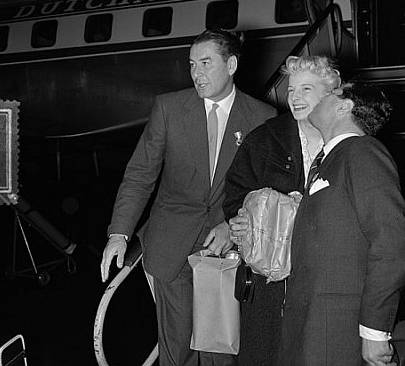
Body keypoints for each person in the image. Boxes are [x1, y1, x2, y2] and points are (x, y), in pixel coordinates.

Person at [100, 29, 276, 366]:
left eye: (206, 63)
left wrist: (230, 225)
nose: (197, 73)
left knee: (218, 348)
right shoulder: (169, 108)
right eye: (193, 64)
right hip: (171, 244)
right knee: (177, 349)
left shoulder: (262, 117)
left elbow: (262, 191)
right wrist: (119, 233)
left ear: (232, 64)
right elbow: (140, 174)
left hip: (223, 248)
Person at [278, 82, 405, 366]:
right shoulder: (330, 160)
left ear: (344, 106)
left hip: (337, 324)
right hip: (311, 320)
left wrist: (375, 329)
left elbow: (392, 241)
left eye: (329, 94)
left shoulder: (362, 151)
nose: (319, 99)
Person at [224, 55, 341, 366]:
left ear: (329, 94)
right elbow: (236, 192)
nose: (295, 98)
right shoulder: (267, 137)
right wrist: (239, 219)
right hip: (269, 283)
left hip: (324, 278)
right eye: (291, 90)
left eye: (306, 89)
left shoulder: (347, 142)